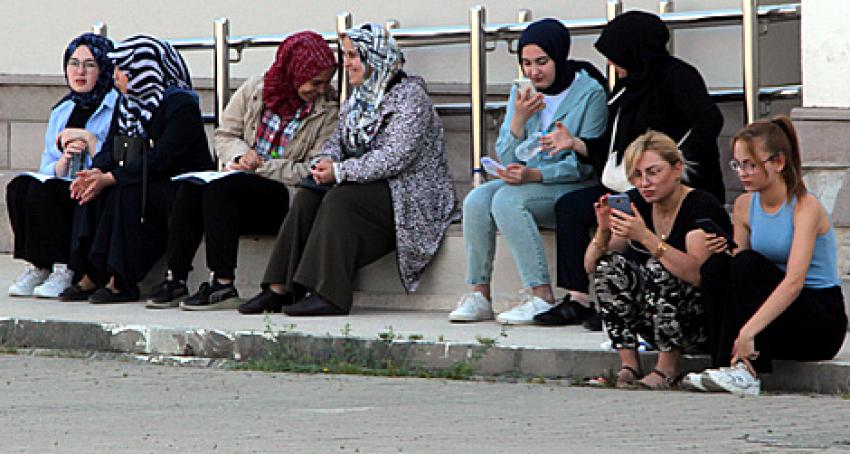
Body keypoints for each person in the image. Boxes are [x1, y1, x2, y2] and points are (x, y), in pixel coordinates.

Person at [238, 23, 456, 316]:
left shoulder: (410, 98)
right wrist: (325, 163)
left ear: (376, 58)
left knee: (340, 199)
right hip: (367, 184)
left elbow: (394, 158)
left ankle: (330, 294)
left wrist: (340, 172)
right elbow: (336, 142)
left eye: (354, 56)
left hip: (409, 194)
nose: (347, 63)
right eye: (346, 55)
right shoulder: (359, 99)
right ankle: (280, 288)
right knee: (309, 194)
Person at [552, 11, 725, 331]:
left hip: (672, 186)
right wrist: (575, 144)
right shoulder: (627, 88)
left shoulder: (677, 76)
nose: (613, 65)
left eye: (616, 56)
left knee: (627, 216)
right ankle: (579, 297)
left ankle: (623, 304)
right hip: (632, 183)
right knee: (572, 207)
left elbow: (708, 120)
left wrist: (674, 166)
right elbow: (611, 147)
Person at [145, 31, 339, 310]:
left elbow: (313, 169)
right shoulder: (256, 89)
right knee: (191, 185)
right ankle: (176, 278)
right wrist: (239, 155)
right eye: (315, 82)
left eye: (325, 83)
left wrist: (262, 166)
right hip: (241, 185)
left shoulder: (327, 111)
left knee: (223, 187)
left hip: (283, 194)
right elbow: (225, 134)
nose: (320, 89)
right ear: (294, 72)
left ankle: (223, 284)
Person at [448, 19, 607, 324]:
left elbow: (584, 164)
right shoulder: (522, 91)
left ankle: (542, 296)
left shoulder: (589, 93)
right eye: (526, 63)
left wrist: (534, 176)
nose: (534, 72)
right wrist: (519, 119)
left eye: (542, 62)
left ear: (559, 57)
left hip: (570, 185)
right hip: (528, 182)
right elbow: (508, 155)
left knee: (507, 200)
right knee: (477, 200)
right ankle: (480, 294)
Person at [685, 116, 848, 396]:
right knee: (718, 266)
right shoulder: (745, 205)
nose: (742, 173)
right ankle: (725, 363)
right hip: (774, 317)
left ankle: (748, 369)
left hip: (817, 318)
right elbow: (737, 268)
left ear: (778, 163)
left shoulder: (805, 207)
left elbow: (794, 281)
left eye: (751, 165)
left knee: (748, 264)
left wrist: (748, 332)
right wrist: (722, 250)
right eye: (737, 165)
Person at [60, 35, 214, 303]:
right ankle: (89, 273)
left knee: (123, 192)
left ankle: (120, 280)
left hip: (177, 185)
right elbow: (110, 149)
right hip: (138, 177)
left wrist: (111, 178)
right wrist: (95, 173)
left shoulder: (180, 104)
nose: (116, 75)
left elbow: (162, 159)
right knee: (91, 189)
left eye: (122, 69)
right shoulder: (127, 103)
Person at [585, 131, 731, 388]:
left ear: (677, 169)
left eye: (653, 172)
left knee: (659, 266)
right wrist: (603, 230)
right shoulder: (637, 203)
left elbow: (697, 274)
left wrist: (646, 237)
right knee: (610, 267)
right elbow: (591, 266)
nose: (645, 183)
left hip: (698, 321)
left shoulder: (701, 205)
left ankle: (667, 368)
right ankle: (629, 364)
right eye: (637, 175)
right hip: (656, 319)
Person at [6, 33, 118, 298]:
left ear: (104, 69)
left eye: (90, 65)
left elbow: (115, 156)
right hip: (65, 178)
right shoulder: (63, 109)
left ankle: (65, 268)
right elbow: (48, 164)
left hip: (96, 182)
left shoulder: (115, 106)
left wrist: (91, 144)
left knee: (50, 193)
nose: (80, 72)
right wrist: (64, 159)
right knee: (21, 187)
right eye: (73, 63)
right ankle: (38, 265)